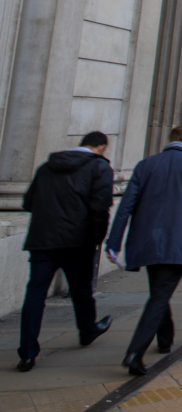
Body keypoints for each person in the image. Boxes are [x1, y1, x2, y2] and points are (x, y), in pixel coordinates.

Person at [105, 126, 182, 376]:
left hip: (148, 239)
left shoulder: (146, 165)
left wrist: (114, 242)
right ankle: (134, 353)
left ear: (169, 141)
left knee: (159, 289)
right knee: (160, 294)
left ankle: (165, 338)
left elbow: (126, 204)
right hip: (181, 240)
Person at [16, 131, 114, 372]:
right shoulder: (99, 167)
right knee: (81, 290)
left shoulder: (47, 166)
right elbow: (100, 208)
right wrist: (97, 239)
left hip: (42, 239)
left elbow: (28, 202)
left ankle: (27, 353)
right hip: (77, 241)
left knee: (35, 295)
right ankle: (88, 330)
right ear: (101, 147)